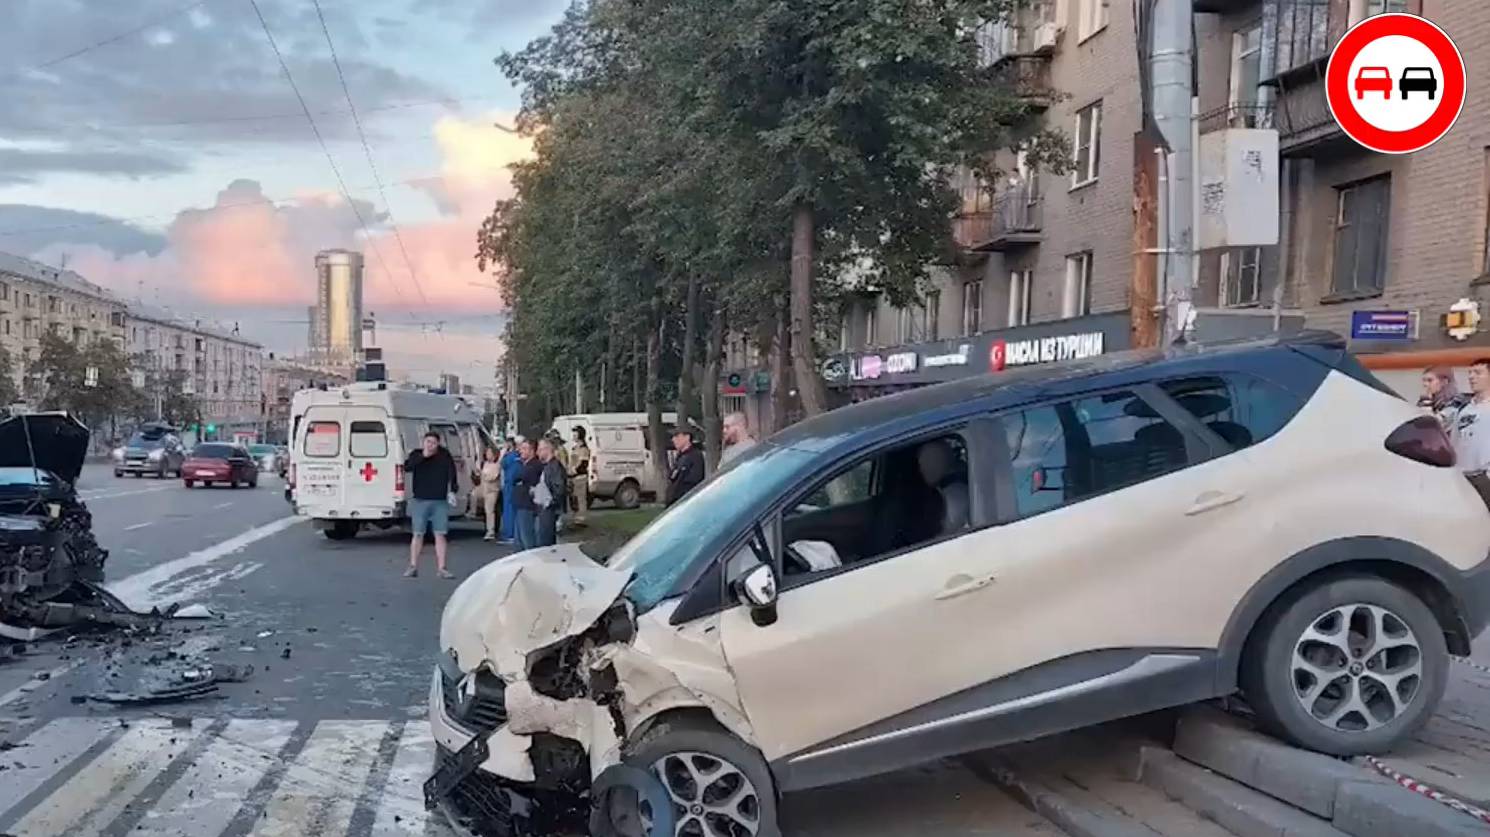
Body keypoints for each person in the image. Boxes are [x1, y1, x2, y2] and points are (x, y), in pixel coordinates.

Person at [403, 431, 459, 579]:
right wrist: (423, 456)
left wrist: (453, 490)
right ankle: (413, 565)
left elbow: (452, 473)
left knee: (440, 533)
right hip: (420, 499)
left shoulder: (444, 455)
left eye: (433, 443)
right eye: (428, 442)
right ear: (424, 442)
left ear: (438, 443)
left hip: (439, 500)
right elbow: (407, 467)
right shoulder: (416, 454)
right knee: (418, 533)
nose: (431, 445)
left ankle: (442, 567)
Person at [1456, 359, 1490, 475]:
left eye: (1477, 373)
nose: (1471, 377)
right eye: (1470, 373)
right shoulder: (1463, 410)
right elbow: (1454, 442)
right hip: (1464, 475)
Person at [535, 437, 569, 547]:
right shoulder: (547, 466)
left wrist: (551, 502)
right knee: (543, 538)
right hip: (544, 507)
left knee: (547, 541)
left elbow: (560, 487)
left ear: (547, 449)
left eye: (540, 449)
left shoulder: (555, 466)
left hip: (550, 508)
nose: (538, 452)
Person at [1420, 366, 1468, 436]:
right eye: (1424, 381)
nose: (1425, 384)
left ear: (1444, 382)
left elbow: (1434, 425)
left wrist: (1427, 402)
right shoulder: (1426, 401)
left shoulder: (1456, 402)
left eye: (1430, 380)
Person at [513, 438, 542, 550]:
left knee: (527, 539)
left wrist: (520, 480)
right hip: (520, 504)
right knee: (518, 540)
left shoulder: (534, 465)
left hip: (527, 505)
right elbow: (514, 478)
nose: (521, 451)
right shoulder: (523, 465)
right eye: (521, 448)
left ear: (532, 451)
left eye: (525, 449)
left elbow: (523, 477)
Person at [665, 428, 705, 506]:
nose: (673, 439)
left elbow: (692, 483)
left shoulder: (695, 456)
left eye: (677, 436)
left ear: (687, 437)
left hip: (685, 504)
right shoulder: (680, 457)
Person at [470, 446, 503, 541]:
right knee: (473, 494)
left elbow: (492, 477)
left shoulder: (497, 465)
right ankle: (472, 511)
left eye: (489, 453)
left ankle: (490, 531)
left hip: (492, 491)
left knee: (489, 511)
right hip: (483, 488)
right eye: (487, 453)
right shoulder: (485, 464)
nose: (487, 454)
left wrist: (483, 475)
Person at [499, 437, 522, 544]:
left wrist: (502, 454)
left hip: (509, 485)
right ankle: (513, 533)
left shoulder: (509, 456)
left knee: (508, 510)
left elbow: (501, 464)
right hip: (515, 484)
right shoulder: (518, 456)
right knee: (513, 510)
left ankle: (510, 534)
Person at [569, 426, 591, 525]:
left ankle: (581, 519)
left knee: (580, 498)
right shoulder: (574, 448)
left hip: (580, 477)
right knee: (574, 498)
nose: (573, 436)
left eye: (575, 433)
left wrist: (575, 470)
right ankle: (575, 518)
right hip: (573, 477)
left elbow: (583, 464)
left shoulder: (583, 449)